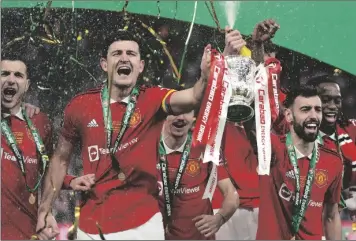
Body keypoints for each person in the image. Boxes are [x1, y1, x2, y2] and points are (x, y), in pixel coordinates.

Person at [35, 29, 243, 240]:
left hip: (143, 225)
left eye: (131, 54)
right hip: (91, 227)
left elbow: (195, 96)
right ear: (104, 64)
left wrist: (216, 67)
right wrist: (45, 210)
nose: (124, 58)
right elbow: (60, 159)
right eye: (116, 53)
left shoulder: (152, 99)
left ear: (140, 66)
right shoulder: (79, 106)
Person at [213, 18, 281, 240]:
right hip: (223, 205)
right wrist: (228, 54)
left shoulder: (276, 106)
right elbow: (216, 84)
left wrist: (257, 46)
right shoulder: (218, 104)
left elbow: (259, 85)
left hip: (264, 203)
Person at [257, 85, 342, 240]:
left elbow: (331, 215)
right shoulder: (272, 149)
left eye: (318, 109)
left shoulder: (333, 160)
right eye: (305, 109)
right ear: (289, 115)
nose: (313, 115)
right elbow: (254, 121)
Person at [156, 109, 238, 240]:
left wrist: (220, 218)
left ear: (193, 120)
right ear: (163, 116)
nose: (181, 117)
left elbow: (231, 194)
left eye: (186, 111)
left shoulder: (205, 148)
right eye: (175, 111)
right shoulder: (147, 149)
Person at [1, 53, 54, 239]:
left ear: (27, 85)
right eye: (4, 73)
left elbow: (51, 170)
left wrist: (72, 181)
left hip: (25, 233)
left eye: (18, 75)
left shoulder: (40, 122)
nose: (10, 80)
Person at [308, 72, 356, 218]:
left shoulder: (351, 128)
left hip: (350, 214)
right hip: (316, 212)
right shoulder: (301, 134)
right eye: (326, 100)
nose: (332, 106)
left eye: (337, 100)